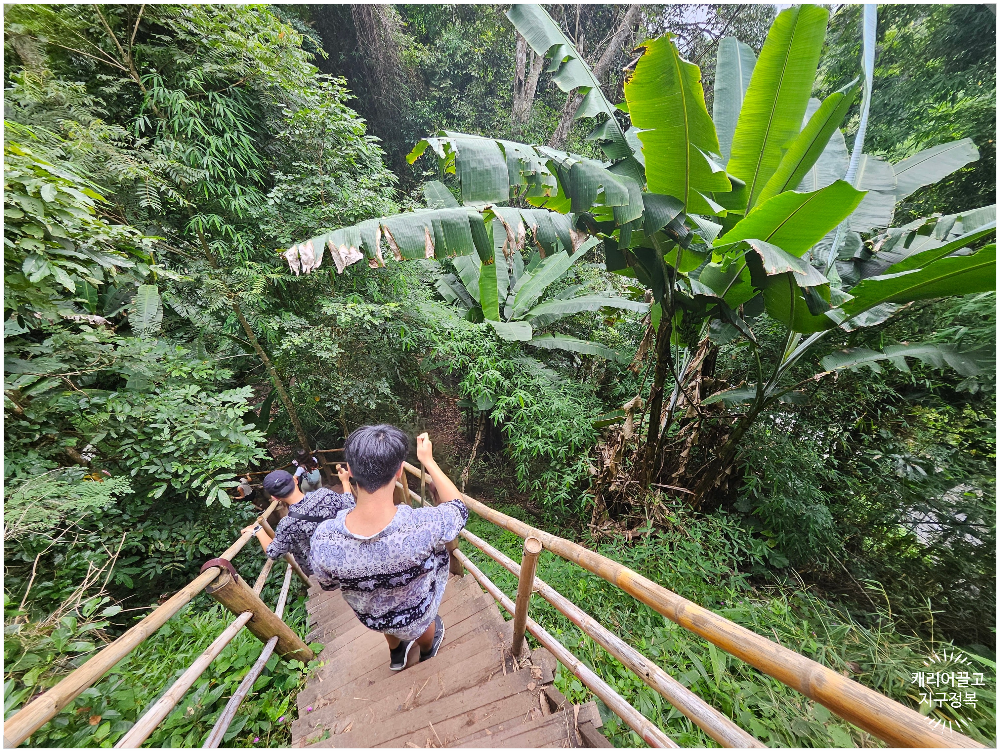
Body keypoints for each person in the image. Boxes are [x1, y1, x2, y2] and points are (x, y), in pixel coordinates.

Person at [310, 425, 467, 672]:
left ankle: (397, 654)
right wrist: (428, 460)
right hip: (417, 610)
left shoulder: (324, 540)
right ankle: (426, 652)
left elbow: (327, 584)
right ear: (399, 471)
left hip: (373, 617)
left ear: (350, 471)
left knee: (387, 622)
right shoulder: (422, 526)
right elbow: (458, 508)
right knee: (424, 622)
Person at [242, 464, 354, 579]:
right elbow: (349, 506)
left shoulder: (286, 524)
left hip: (327, 573)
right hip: (349, 553)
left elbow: (273, 552)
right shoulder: (324, 494)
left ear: (275, 498)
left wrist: (257, 530)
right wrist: (345, 481)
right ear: (295, 480)